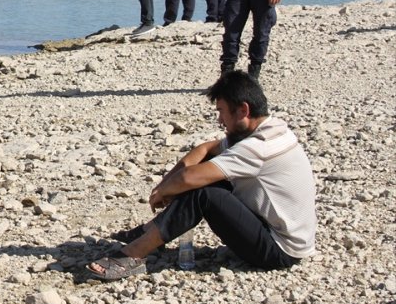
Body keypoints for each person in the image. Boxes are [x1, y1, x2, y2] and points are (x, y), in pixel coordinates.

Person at [85, 71, 316, 281]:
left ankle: (131, 255)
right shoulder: (272, 130)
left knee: (202, 192)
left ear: (243, 110)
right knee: (206, 177)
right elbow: (207, 148)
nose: (220, 121)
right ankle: (150, 232)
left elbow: (188, 178)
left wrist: (163, 191)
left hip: (280, 251)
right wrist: (167, 184)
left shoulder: (258, 147)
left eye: (221, 111)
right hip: (283, 234)